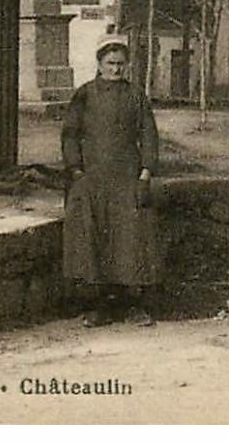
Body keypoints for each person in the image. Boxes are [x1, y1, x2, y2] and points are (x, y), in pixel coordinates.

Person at [61, 38, 160, 327]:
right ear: (99, 64)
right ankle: (98, 307)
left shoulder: (135, 95)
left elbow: (149, 134)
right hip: (93, 179)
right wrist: (75, 169)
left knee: (130, 241)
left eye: (120, 64)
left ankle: (133, 306)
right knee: (94, 241)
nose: (116, 70)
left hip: (126, 178)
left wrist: (146, 170)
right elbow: (70, 134)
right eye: (110, 64)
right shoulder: (85, 95)